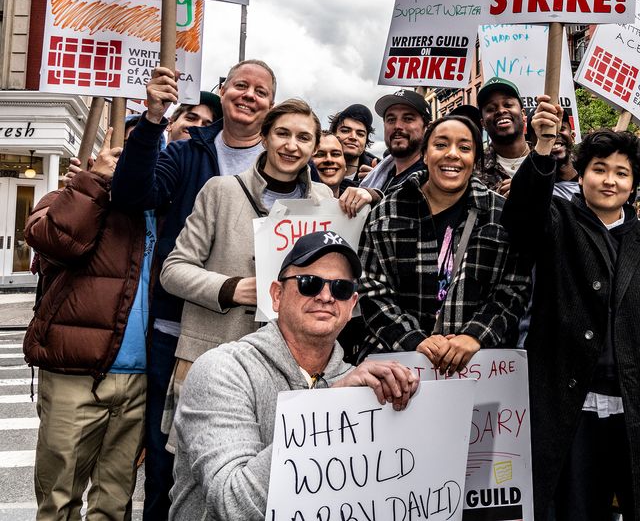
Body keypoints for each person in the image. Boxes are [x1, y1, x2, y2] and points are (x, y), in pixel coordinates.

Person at [504, 96, 640, 520]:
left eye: (621, 172)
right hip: (570, 410)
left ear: (634, 184)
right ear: (580, 177)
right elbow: (520, 217)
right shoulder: (556, 220)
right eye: (598, 169)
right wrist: (541, 148)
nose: (609, 181)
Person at [111, 59, 277, 521]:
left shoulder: (288, 167)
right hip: (179, 333)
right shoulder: (187, 153)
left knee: (245, 471)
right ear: (222, 91)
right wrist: (151, 121)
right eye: (240, 85)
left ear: (271, 105)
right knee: (169, 468)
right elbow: (130, 195)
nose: (248, 95)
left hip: (256, 341)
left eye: (260, 91)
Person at [169, 230, 419, 521]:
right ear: (276, 295)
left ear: (351, 306)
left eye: (340, 288)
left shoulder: (362, 387)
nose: (326, 296)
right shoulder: (222, 370)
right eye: (309, 283)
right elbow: (233, 503)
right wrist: (331, 407)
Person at [161, 99, 372, 441]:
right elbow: (173, 270)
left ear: (314, 145)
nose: (291, 145)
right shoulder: (221, 191)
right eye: (282, 134)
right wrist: (230, 288)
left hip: (295, 366)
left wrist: (369, 196)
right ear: (264, 137)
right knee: (209, 475)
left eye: (303, 138)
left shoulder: (329, 203)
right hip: (216, 355)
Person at [23, 128, 148, 521]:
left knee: (113, 502)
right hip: (74, 371)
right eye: (126, 145)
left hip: (140, 377)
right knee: (59, 500)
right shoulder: (69, 195)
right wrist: (93, 182)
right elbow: (53, 241)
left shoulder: (160, 203)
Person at [359, 115, 529, 372]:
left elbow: (514, 288)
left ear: (475, 160)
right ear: (425, 155)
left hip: (479, 369)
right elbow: (371, 289)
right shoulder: (387, 212)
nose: (452, 154)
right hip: (398, 368)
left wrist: (474, 336)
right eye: (441, 145)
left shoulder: (501, 213)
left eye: (464, 147)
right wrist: (415, 341)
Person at [360, 89, 429, 196]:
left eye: (408, 119)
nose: (397, 126)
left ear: (426, 128)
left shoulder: (431, 180)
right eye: (391, 119)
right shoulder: (378, 177)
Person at [478, 77, 528, 195]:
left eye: (508, 104)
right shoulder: (472, 169)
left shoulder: (549, 159)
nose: (501, 111)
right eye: (491, 109)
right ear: (483, 123)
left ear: (523, 114)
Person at [330, 103, 376, 181]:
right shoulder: (311, 168)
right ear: (332, 134)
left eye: (360, 134)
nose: (353, 137)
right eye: (345, 131)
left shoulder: (379, 173)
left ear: (366, 140)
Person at [312, 130, 349, 196]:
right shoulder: (291, 201)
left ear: (345, 164)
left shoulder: (364, 195)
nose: (329, 160)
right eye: (320, 154)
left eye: (335, 154)